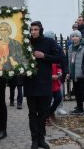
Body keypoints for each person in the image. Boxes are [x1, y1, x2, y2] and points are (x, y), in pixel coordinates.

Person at [24, 21, 61, 149]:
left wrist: (44, 56)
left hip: (45, 83)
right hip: (30, 83)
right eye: (31, 29)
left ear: (40, 30)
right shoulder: (26, 42)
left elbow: (59, 57)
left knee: (44, 112)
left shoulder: (48, 42)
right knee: (32, 113)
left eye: (36, 29)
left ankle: (42, 138)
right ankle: (34, 139)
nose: (33, 32)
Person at [66, 30, 84, 115]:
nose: (74, 38)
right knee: (77, 92)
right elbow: (69, 61)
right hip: (74, 75)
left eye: (76, 36)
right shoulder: (70, 48)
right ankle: (79, 108)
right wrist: (68, 72)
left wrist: (83, 71)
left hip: (82, 75)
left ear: (80, 37)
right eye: (73, 36)